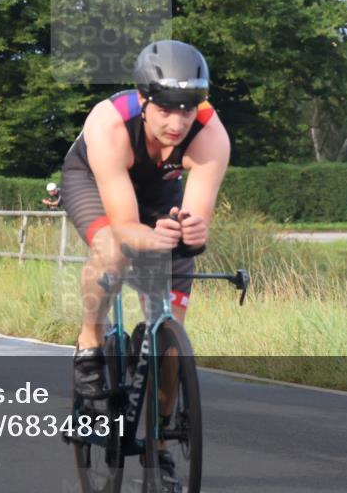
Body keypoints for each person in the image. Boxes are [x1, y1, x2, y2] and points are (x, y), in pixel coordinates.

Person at [60, 40, 230, 401]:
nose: (177, 122)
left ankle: (164, 439)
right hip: (91, 179)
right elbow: (123, 226)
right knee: (112, 249)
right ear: (143, 100)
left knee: (171, 348)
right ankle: (90, 341)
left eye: (187, 110)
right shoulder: (110, 124)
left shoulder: (211, 135)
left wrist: (192, 233)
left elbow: (196, 220)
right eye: (166, 110)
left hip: (158, 189)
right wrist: (152, 239)